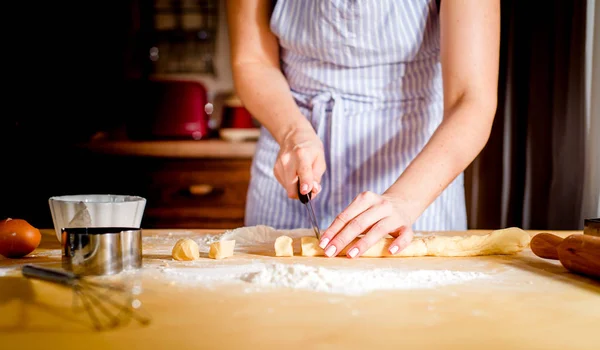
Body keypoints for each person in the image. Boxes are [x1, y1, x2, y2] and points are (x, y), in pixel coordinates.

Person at [226, 0, 500, 258]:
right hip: (291, 159)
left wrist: (403, 201)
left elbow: (471, 98)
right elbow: (252, 60)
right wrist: (291, 131)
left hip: (418, 176)